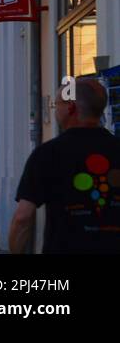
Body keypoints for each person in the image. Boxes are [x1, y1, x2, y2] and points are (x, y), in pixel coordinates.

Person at [10, 77, 120, 253]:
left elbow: (23, 218)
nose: (55, 109)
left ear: (70, 108)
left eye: (57, 104)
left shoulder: (47, 154)